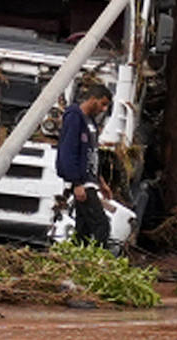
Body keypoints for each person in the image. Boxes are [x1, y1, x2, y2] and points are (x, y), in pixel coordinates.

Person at [56, 81, 114, 246]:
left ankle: (77, 258)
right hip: (83, 183)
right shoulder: (74, 117)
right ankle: (96, 260)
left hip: (91, 180)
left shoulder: (91, 122)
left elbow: (91, 154)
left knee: (84, 228)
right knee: (101, 225)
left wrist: (101, 181)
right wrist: (77, 183)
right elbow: (68, 152)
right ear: (92, 99)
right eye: (102, 104)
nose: (103, 109)